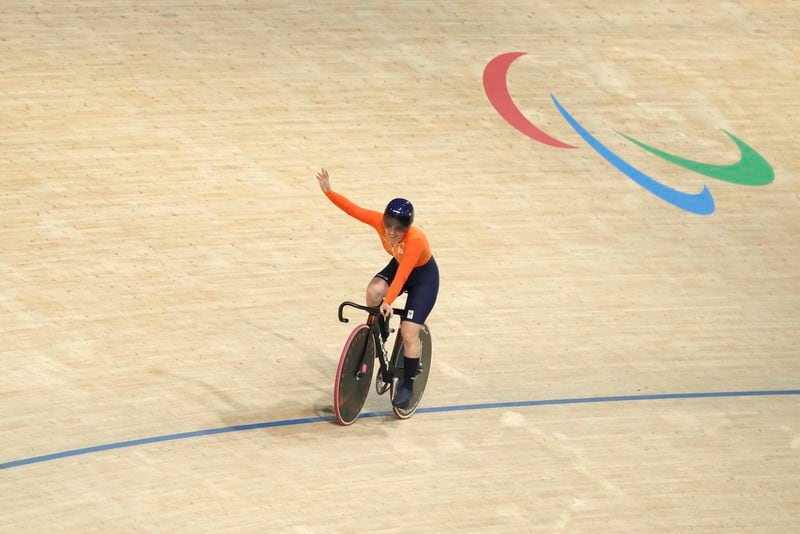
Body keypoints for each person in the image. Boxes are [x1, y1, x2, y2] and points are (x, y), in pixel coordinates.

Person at [315, 168, 439, 409]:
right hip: (401, 266)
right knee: (373, 291)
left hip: (423, 277)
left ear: (407, 228)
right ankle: (380, 332)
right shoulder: (380, 224)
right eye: (389, 226)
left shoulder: (415, 240)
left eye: (398, 229)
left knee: (409, 332)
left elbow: (402, 277)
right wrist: (329, 192)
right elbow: (354, 210)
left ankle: (408, 384)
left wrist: (389, 301)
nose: (392, 232)